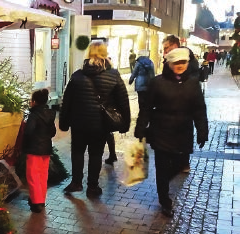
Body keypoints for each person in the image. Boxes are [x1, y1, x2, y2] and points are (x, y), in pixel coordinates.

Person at [134, 48, 208, 217]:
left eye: (183, 62)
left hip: (183, 131)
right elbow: (146, 107)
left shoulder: (193, 83)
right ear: (169, 64)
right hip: (161, 131)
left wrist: (202, 131)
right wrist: (140, 127)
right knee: (161, 167)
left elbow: (199, 109)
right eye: (177, 63)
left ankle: (163, 182)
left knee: (180, 163)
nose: (180, 65)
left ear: (188, 63)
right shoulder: (157, 82)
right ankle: (164, 200)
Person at [59, 42, 131, 197]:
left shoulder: (77, 75)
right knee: (96, 154)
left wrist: (63, 123)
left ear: (88, 54)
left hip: (79, 123)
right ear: (105, 54)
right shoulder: (113, 75)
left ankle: (76, 183)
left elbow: (67, 102)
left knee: (77, 152)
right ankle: (92, 187)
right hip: (101, 125)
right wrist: (125, 123)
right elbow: (123, 101)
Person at [161, 35, 200, 173]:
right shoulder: (169, 60)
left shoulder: (188, 59)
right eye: (164, 48)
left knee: (184, 134)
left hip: (185, 107)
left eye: (167, 48)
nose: (165, 51)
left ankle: (184, 163)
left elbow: (194, 79)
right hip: (170, 106)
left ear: (175, 45)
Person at [22, 88, 56, 213]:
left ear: (35, 101)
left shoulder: (34, 115)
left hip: (34, 149)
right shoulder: (50, 114)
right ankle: (41, 199)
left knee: (33, 175)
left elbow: (29, 131)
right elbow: (53, 132)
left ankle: (36, 202)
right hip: (46, 149)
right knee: (43, 175)